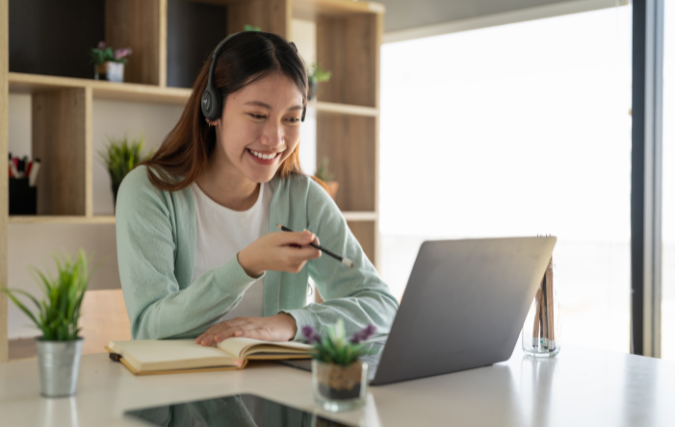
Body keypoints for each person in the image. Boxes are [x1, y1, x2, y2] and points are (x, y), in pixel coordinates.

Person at [115, 31, 398, 347]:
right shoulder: (149, 192)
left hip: (276, 391)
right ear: (212, 109)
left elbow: (383, 307)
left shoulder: (303, 198)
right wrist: (246, 266)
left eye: (291, 118)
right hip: (181, 391)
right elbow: (150, 328)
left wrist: (290, 324)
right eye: (258, 115)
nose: (276, 138)